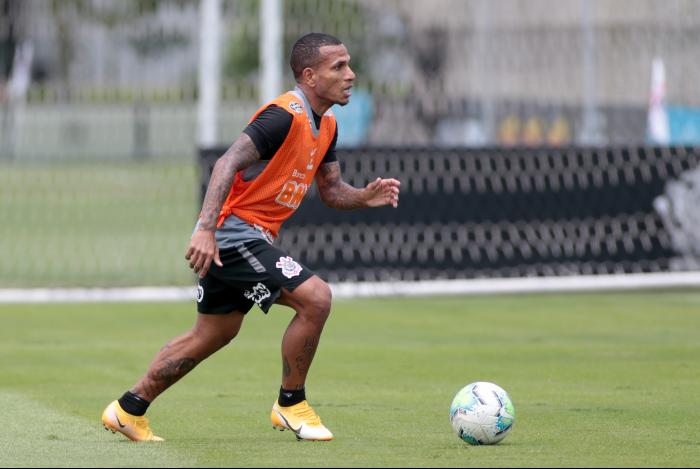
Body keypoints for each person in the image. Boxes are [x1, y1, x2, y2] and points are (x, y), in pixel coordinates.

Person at [101, 32, 400, 442]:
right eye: (339, 67)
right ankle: (291, 404)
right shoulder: (283, 116)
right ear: (309, 76)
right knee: (316, 298)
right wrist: (206, 229)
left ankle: (128, 409)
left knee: (213, 333)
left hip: (247, 238)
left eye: (349, 65)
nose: (351, 75)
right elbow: (226, 163)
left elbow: (331, 190)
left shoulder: (328, 125)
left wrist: (363, 197)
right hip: (233, 235)